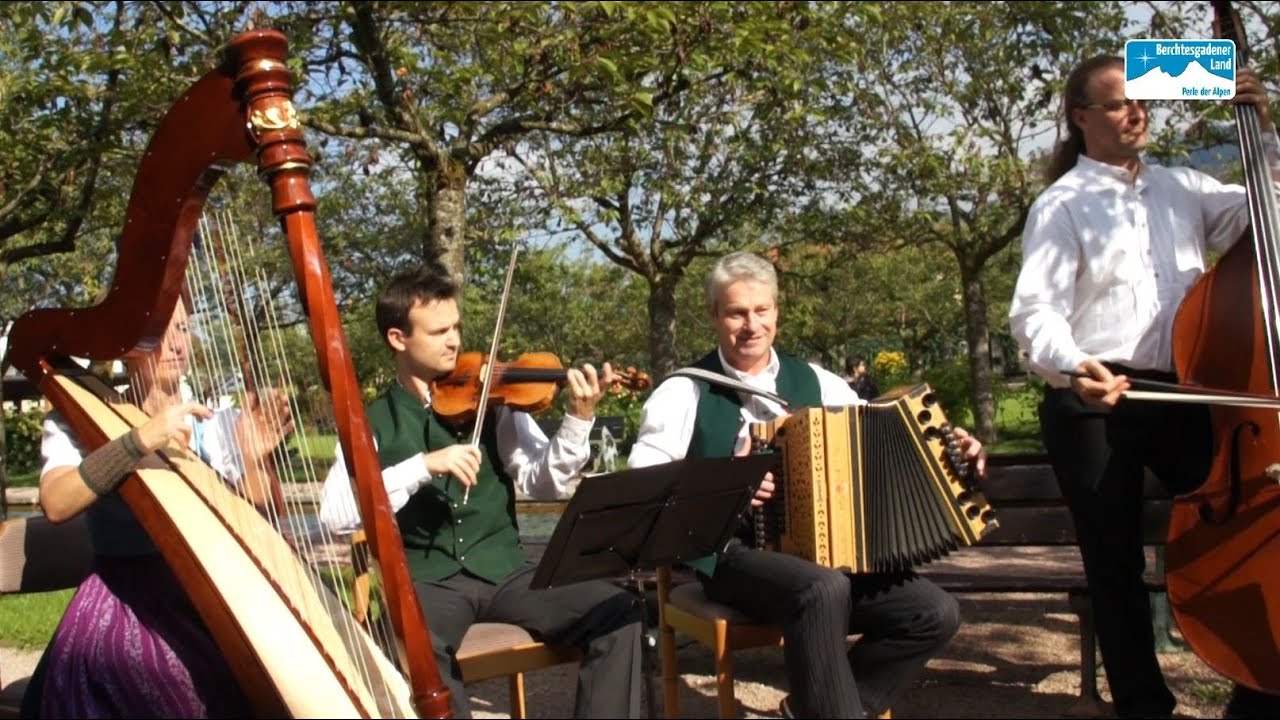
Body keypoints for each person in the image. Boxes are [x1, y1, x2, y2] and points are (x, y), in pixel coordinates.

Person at [1008, 55, 1280, 719]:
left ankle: (1258, 681)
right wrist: (1075, 365)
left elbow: (1268, 214)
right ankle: (1143, 705)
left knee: (1249, 518)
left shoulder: (1184, 187)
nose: (1136, 113)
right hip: (1093, 398)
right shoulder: (1061, 204)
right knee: (1114, 561)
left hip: (1182, 391)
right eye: (1119, 103)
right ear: (1081, 117)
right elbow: (1034, 313)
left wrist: (1264, 131)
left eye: (1141, 102)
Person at [627, 251, 987, 719]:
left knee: (933, 612)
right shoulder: (683, 392)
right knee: (823, 589)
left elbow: (883, 434)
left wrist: (951, 451)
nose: (751, 325)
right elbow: (643, 487)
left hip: (828, 557)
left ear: (777, 311)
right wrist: (727, 483)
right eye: (737, 312)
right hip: (729, 556)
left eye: (762, 310)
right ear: (713, 315)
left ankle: (813, 708)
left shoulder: (817, 381)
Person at [318, 264, 643, 719]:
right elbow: (334, 514)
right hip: (428, 581)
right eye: (439, 331)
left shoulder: (494, 399)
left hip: (506, 570)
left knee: (618, 610)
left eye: (456, 327)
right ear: (398, 338)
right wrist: (421, 466)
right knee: (413, 649)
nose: (454, 341)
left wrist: (578, 419)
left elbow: (542, 482)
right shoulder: (370, 421)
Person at [23, 300, 294, 718]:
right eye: (160, 329)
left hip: (207, 596)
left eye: (182, 329)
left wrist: (254, 461)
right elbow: (56, 503)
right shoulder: (76, 416)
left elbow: (257, 513)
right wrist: (141, 439)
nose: (177, 344)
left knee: (273, 678)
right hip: (125, 602)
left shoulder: (213, 421)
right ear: (126, 340)